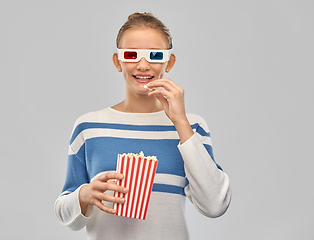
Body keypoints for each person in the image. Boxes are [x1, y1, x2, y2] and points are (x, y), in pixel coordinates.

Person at [54, 12, 231, 240]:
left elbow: (215, 205)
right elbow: (64, 214)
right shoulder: (89, 127)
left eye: (155, 55)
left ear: (170, 61)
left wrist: (180, 122)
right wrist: (84, 195)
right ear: (118, 62)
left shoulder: (193, 126)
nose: (143, 65)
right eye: (131, 55)